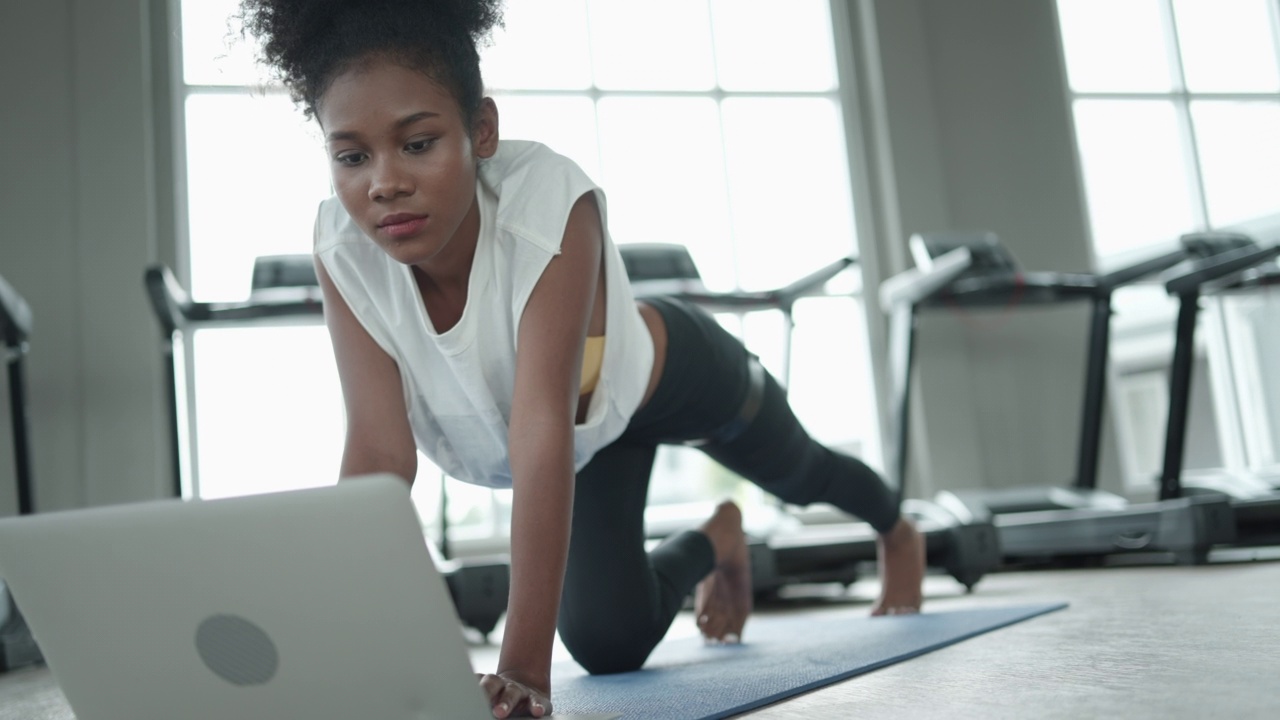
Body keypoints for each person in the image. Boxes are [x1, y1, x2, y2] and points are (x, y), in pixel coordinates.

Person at [239, 1, 925, 717]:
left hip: (667, 377)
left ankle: (897, 529)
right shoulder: (342, 249)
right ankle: (720, 536)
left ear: (481, 131)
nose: (383, 182)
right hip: (585, 442)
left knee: (800, 473)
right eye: (352, 156)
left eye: (417, 144)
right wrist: (323, 647)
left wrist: (523, 673)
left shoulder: (548, 201)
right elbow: (380, 453)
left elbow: (542, 431)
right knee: (607, 643)